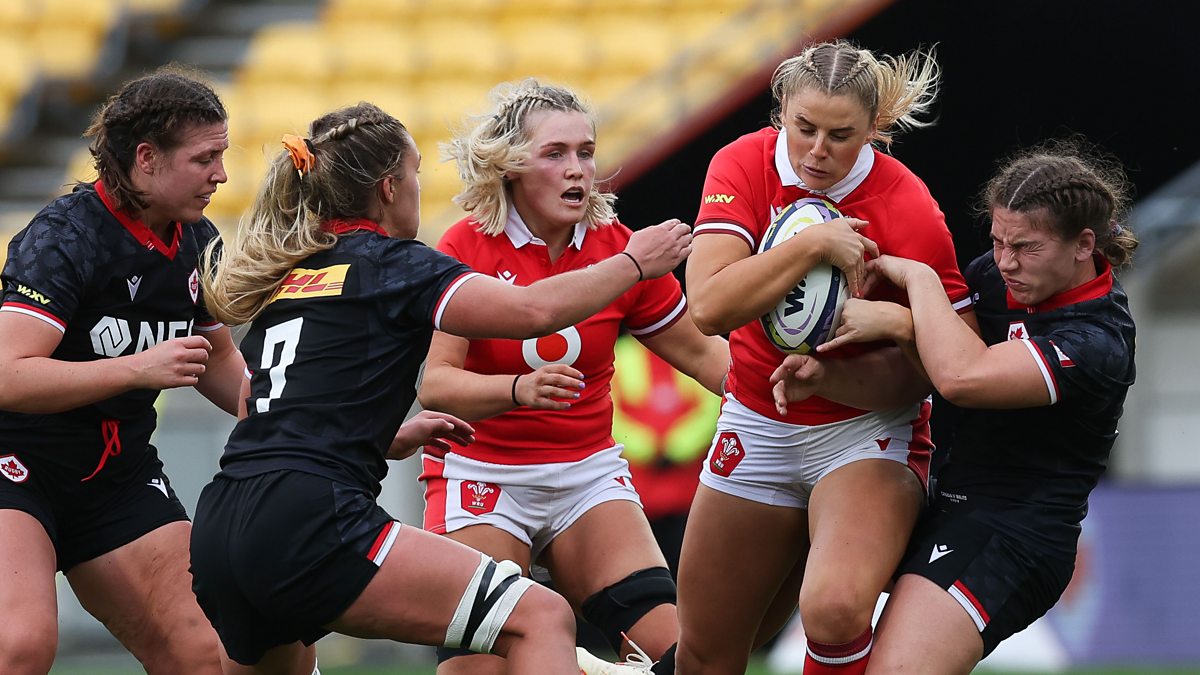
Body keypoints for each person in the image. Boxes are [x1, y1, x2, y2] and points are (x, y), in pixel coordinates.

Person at [189, 101, 694, 675]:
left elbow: (261, 407)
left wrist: (383, 436)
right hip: (312, 519)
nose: (419, 189)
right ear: (388, 188)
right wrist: (634, 262)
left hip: (222, 524)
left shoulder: (294, 275)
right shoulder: (398, 264)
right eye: (416, 173)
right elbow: (530, 310)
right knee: (542, 617)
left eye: (584, 152)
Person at [772, 140, 1137, 674]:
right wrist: (831, 377)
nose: (1005, 262)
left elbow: (963, 377)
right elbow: (925, 370)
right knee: (822, 610)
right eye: (997, 241)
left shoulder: (1097, 339)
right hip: (941, 499)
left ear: (1084, 244)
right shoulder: (993, 275)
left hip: (1014, 534)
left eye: (1027, 248)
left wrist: (914, 289)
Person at [670, 40, 976, 675]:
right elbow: (708, 307)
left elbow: (952, 363)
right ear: (781, 108)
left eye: (841, 135)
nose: (817, 150)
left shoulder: (909, 205)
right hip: (755, 418)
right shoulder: (741, 163)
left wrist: (846, 367)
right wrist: (811, 246)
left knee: (835, 608)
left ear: (874, 129)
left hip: (863, 434)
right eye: (803, 128)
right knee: (708, 650)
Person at [416, 79, 730, 675]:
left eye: (585, 152)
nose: (577, 169)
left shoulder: (617, 248)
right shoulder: (465, 245)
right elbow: (436, 388)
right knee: (477, 668)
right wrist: (516, 390)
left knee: (684, 659)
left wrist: (796, 389)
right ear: (509, 167)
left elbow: (711, 361)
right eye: (554, 154)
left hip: (585, 474)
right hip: (482, 475)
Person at [0, 68, 244, 674]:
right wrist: (135, 369)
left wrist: (313, 424)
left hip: (115, 476)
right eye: (204, 157)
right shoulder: (63, 238)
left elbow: (222, 364)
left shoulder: (197, 240)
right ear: (146, 159)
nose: (221, 174)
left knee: (206, 651)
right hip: (16, 467)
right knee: (21, 645)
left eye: (222, 155)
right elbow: (7, 375)